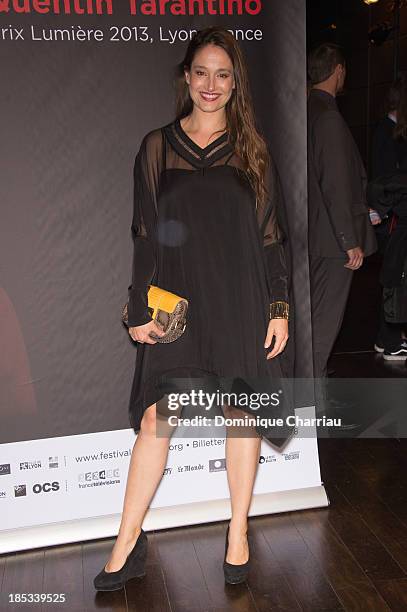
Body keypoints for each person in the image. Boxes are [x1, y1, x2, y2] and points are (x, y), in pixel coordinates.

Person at [94, 26, 293, 591]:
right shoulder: (157, 146)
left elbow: (272, 237)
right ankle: (126, 542)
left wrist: (278, 306)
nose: (211, 84)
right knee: (159, 418)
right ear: (186, 76)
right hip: (178, 303)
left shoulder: (252, 149)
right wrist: (137, 308)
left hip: (239, 298)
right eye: (202, 72)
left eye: (223, 74)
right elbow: (144, 236)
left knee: (240, 413)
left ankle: (237, 532)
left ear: (236, 83)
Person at [307, 43, 377, 424]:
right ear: (337, 70)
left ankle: (312, 395)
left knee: (315, 319)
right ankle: (312, 402)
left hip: (315, 235)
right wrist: (348, 238)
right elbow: (334, 183)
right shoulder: (328, 117)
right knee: (324, 321)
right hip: (332, 242)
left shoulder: (306, 112)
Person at [371, 75, 407, 359]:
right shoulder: (387, 132)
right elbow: (387, 179)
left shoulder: (391, 130)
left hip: (391, 214)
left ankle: (389, 337)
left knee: (394, 277)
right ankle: (390, 339)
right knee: (393, 277)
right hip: (392, 216)